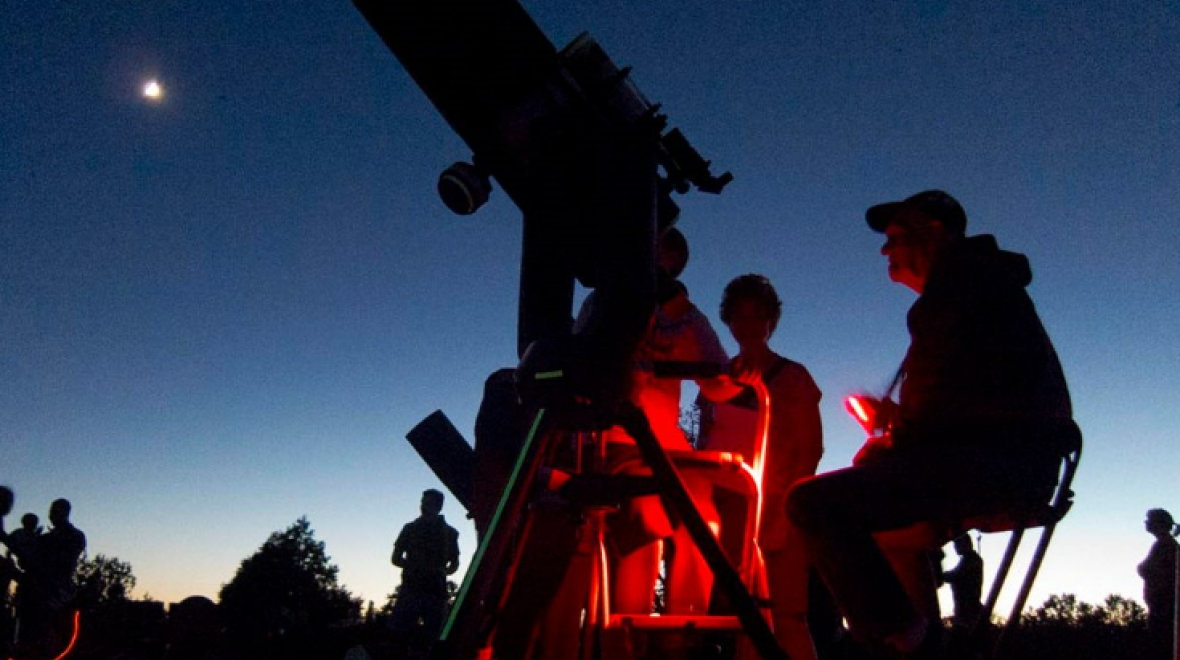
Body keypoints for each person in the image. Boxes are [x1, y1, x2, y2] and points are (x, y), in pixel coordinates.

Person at [785, 190, 1073, 658]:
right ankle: (919, 640)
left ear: (936, 231)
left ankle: (904, 642)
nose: (885, 248)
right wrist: (895, 427)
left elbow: (936, 419)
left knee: (811, 503)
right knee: (881, 514)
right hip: (1016, 459)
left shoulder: (956, 293)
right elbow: (966, 399)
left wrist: (889, 441)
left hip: (993, 464)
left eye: (897, 236)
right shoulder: (983, 286)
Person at [599, 226, 740, 622]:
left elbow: (718, 384)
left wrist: (741, 373)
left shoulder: (686, 316)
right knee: (646, 522)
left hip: (669, 446)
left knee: (705, 521)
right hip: (619, 440)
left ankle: (684, 630)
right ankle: (628, 632)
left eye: (664, 266)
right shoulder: (604, 305)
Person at [697, 274, 823, 660]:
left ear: (771, 321)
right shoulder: (716, 381)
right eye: (740, 315)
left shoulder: (794, 378)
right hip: (726, 508)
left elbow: (810, 450)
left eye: (758, 315)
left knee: (787, 616)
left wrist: (784, 514)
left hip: (778, 506)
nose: (749, 324)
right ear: (729, 321)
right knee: (738, 618)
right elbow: (705, 442)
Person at [389, 489, 461, 647]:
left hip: (436, 591)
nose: (423, 506)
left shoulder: (450, 533)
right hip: (411, 589)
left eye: (428, 503)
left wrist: (442, 572)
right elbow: (395, 558)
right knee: (399, 637)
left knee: (435, 638)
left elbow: (455, 562)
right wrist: (414, 566)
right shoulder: (409, 529)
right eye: (423, 502)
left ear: (438, 506)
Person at [1138, 508, 1178, 658]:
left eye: (1149, 520)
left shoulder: (1165, 545)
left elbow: (1157, 572)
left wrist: (1143, 569)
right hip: (1160, 606)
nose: (1146, 522)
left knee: (1159, 647)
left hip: (1163, 608)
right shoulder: (1165, 544)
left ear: (1158, 523)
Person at [942, 534, 984, 632]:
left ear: (965, 544)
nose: (955, 547)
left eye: (957, 544)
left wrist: (938, 574)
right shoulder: (967, 559)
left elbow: (955, 575)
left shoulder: (971, 559)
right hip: (964, 611)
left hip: (968, 612)